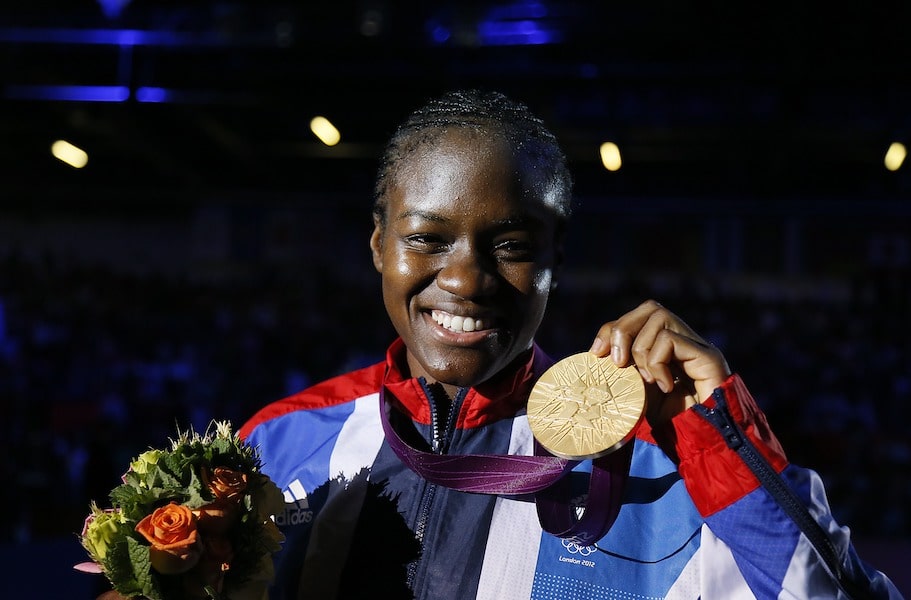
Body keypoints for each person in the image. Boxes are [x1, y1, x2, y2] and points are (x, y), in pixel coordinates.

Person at [239, 89, 903, 599]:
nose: (466, 279)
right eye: (426, 239)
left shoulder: (671, 467)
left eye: (511, 246)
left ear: (557, 260)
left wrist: (728, 449)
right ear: (379, 245)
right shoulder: (276, 446)